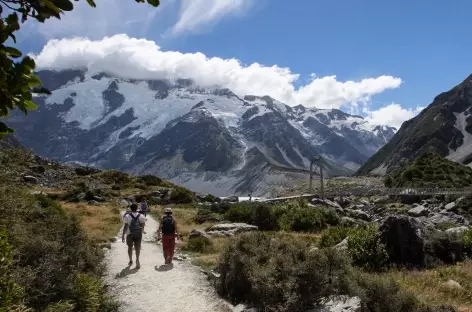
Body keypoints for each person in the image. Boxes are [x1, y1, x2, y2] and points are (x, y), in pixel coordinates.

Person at [122, 204, 145, 269]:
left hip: (129, 234)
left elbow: (125, 226)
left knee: (130, 247)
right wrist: (141, 232)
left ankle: (131, 260)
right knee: (137, 247)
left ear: (130, 208)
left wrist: (123, 235)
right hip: (138, 233)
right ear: (137, 208)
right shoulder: (141, 215)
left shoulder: (127, 216)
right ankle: (137, 259)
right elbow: (143, 225)